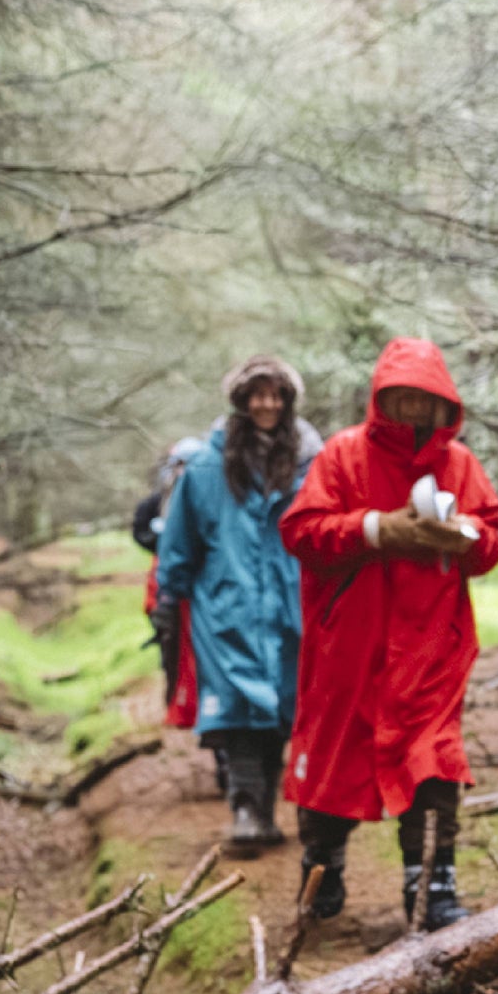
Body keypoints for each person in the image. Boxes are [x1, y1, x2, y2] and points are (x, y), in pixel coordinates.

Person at [279, 337, 498, 929]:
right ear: (380, 398)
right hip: (349, 647)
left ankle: (431, 888)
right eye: (401, 396)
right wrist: (376, 530)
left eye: (424, 398)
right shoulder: (343, 455)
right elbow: (302, 532)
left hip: (431, 646)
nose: (413, 409)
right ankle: (322, 867)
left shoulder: (459, 464)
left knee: (433, 761)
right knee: (335, 762)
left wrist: (465, 537)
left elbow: (489, 546)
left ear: (444, 402)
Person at [153, 356, 324, 852]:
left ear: (288, 401)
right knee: (237, 707)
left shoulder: (313, 464)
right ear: (241, 401)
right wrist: (169, 595)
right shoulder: (207, 467)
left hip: (293, 605)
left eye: (275, 395)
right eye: (257, 395)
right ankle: (246, 810)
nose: (266, 404)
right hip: (227, 605)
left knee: (282, 707)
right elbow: (180, 539)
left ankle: (265, 807)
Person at [137, 439, 203, 733]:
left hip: (195, 590)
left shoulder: (206, 496)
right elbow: (142, 532)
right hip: (166, 588)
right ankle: (175, 704)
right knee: (171, 648)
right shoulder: (158, 501)